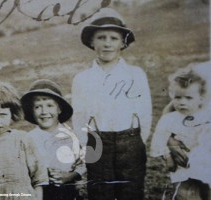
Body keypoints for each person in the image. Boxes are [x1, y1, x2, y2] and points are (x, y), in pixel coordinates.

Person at [71, 8, 152, 200]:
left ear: (123, 43)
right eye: (101, 37)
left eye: (114, 38)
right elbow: (79, 116)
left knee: (131, 192)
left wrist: (137, 140)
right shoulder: (82, 79)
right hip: (97, 144)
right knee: (100, 192)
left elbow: (145, 113)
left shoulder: (135, 74)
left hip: (130, 142)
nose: (107, 43)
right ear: (92, 41)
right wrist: (86, 146)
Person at [150, 68, 211, 199]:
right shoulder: (169, 118)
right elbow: (159, 138)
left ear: (201, 99)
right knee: (185, 193)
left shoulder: (205, 117)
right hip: (181, 166)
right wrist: (167, 157)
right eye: (178, 97)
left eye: (189, 98)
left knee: (206, 191)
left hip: (205, 164)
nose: (182, 102)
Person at [21, 79, 86, 200]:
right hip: (40, 192)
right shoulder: (28, 139)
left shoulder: (72, 136)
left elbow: (82, 163)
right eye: (38, 107)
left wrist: (71, 175)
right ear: (32, 111)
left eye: (49, 106)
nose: (44, 112)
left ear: (59, 109)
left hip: (68, 190)